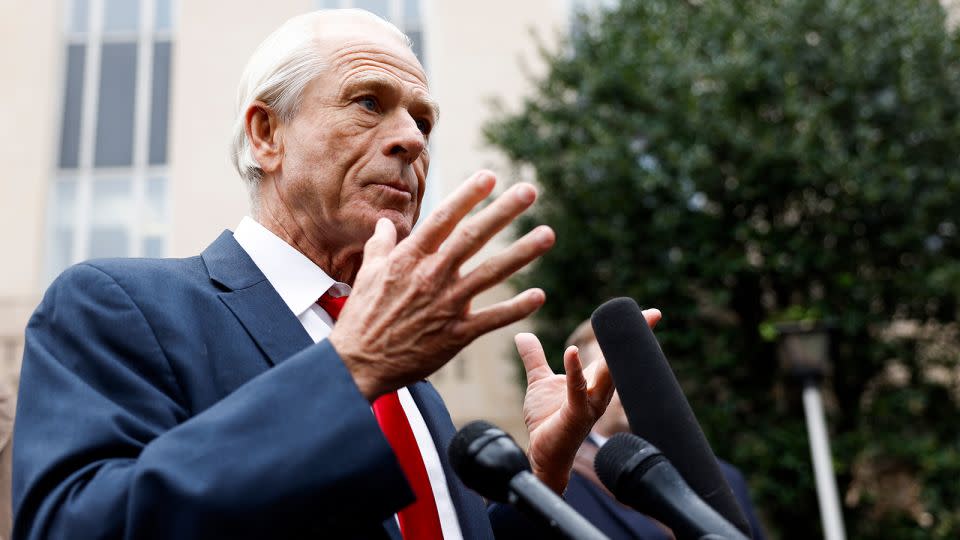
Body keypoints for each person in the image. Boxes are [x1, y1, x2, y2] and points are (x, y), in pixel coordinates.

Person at [12, 9, 659, 540]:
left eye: (423, 120)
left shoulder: (413, 389)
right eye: (369, 102)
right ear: (267, 134)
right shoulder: (120, 307)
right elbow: (78, 527)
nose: (411, 138)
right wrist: (350, 371)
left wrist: (541, 479)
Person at [561, 319, 768, 540]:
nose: (634, 381)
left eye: (645, 368)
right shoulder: (559, 487)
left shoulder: (727, 479)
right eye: (615, 371)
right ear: (580, 386)